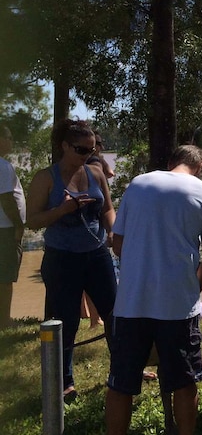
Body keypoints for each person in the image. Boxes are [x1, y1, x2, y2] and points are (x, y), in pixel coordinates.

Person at [105, 145, 202, 435]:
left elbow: (118, 244)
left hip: (131, 303)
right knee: (184, 382)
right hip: (177, 308)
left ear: (170, 161)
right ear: (200, 167)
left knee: (120, 383)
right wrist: (191, 290)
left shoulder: (138, 185)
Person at [25, 119, 116, 402]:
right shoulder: (45, 178)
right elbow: (32, 221)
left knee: (115, 316)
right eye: (80, 149)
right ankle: (64, 381)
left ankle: (124, 371)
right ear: (64, 146)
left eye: (90, 150)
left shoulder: (95, 172)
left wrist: (114, 234)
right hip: (62, 258)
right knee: (65, 322)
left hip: (97, 255)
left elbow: (108, 209)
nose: (86, 156)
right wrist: (63, 209)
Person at [0, 125, 25, 329]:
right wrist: (19, 225)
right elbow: (7, 200)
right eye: (8, 137)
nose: (11, 141)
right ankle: (4, 321)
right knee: (5, 277)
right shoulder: (3, 166)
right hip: (5, 229)